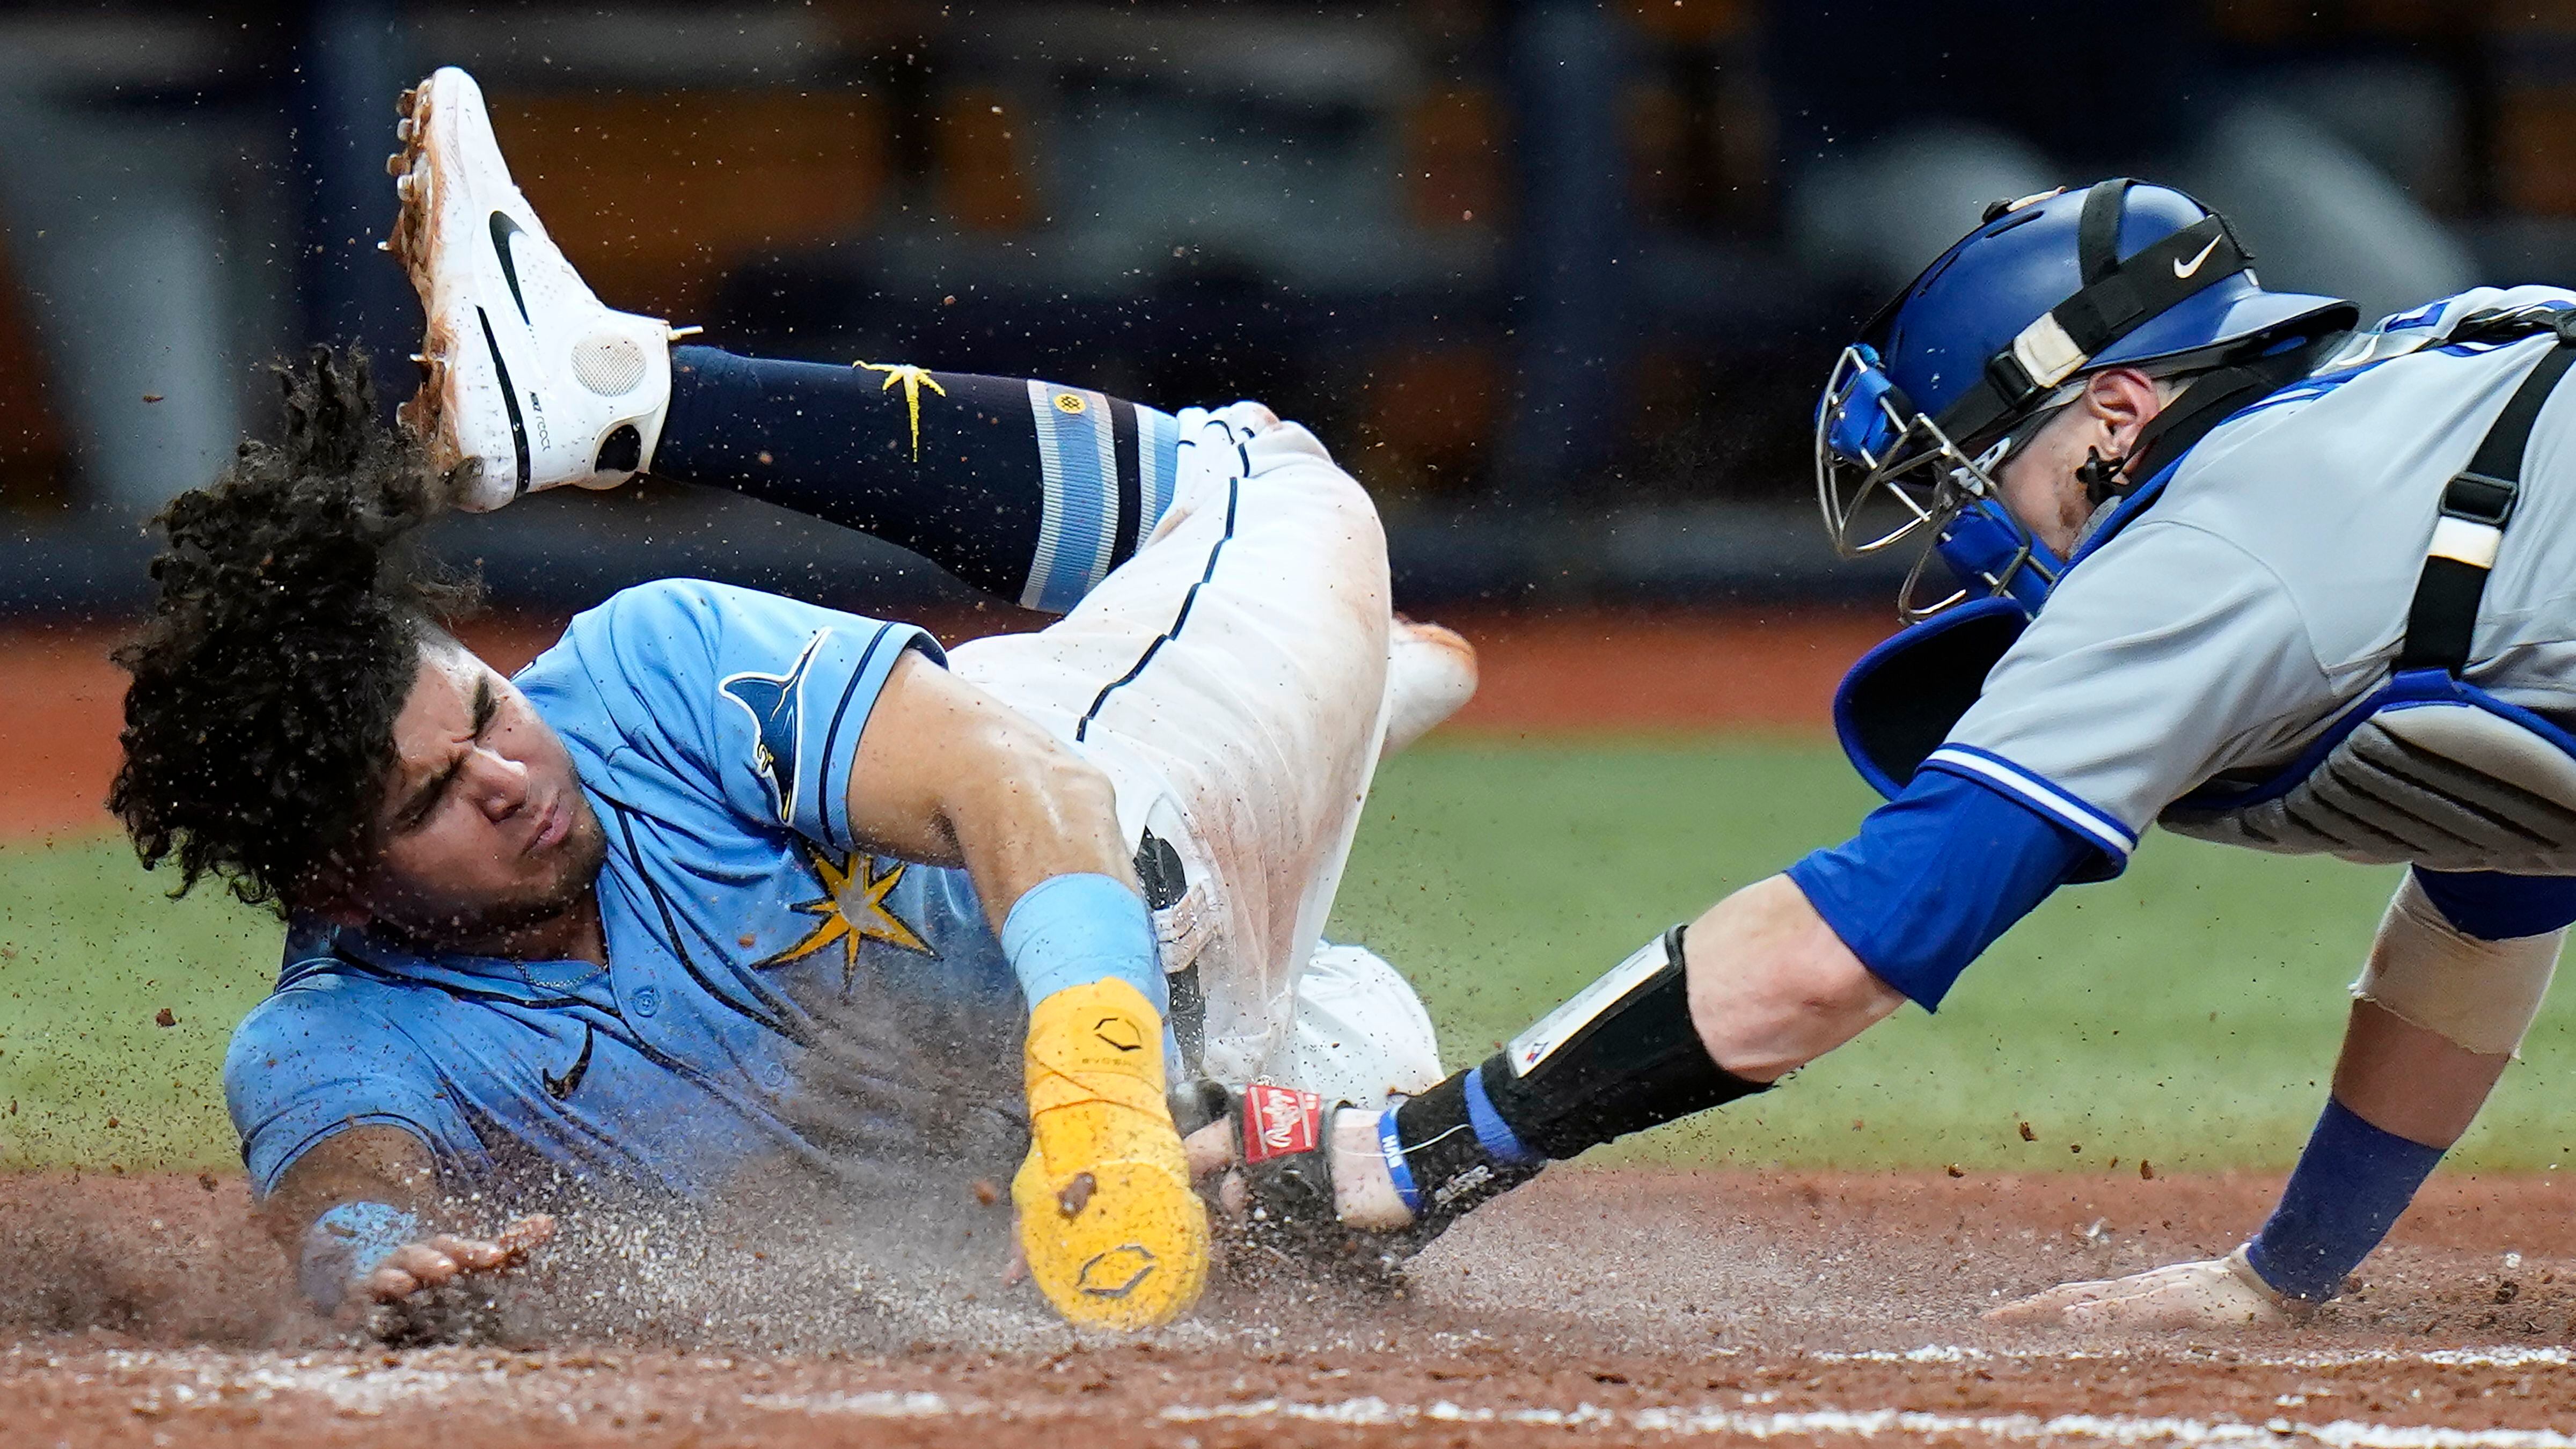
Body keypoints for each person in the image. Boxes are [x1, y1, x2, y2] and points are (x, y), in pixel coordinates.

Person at [112, 67, 1472, 1335]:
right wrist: (374, 1264)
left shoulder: (641, 675)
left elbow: (1031, 795)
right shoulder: (335, 1034)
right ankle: (1329, 718)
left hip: (1129, 843)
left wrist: (1098, 1095)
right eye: (435, 798)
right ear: (339, 888)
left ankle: (639, 398)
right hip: (1205, 1061)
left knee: (1263, 483)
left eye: (486, 711)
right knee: (1364, 1121)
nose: (510, 775)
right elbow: (345, 1196)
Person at [1219, 179, 2576, 1328]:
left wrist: (1400, 1159)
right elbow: (2502, 873)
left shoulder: (2212, 542)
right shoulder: (2424, 388)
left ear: (2117, 412)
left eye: (1991, 477)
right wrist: (2287, 1278)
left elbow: (1834, 956)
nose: (1992, 537)